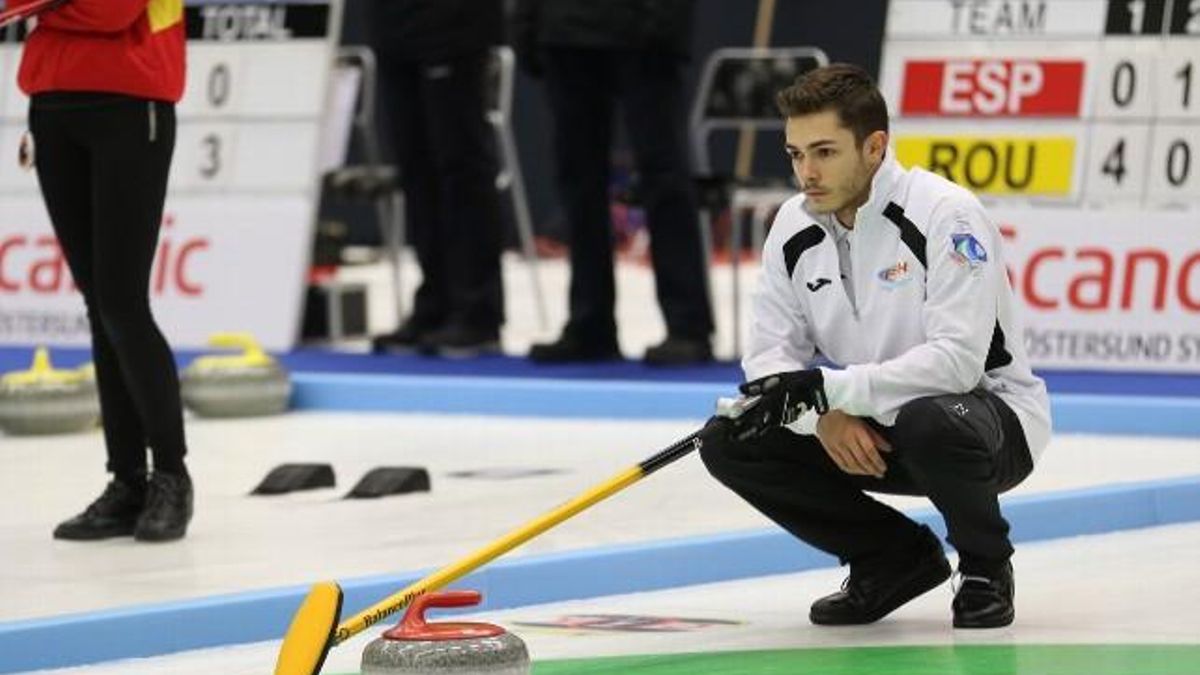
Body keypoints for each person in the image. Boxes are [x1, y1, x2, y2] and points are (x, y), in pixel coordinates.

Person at [699, 63, 1051, 628]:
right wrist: (824, 416)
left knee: (929, 420)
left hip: (987, 422)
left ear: (874, 147)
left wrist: (834, 391)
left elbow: (958, 364)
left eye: (824, 152)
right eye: (795, 154)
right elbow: (769, 358)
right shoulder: (790, 225)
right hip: (869, 422)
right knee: (730, 437)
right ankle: (891, 558)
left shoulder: (946, 213)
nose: (807, 172)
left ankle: (985, 567)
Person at [15, 0, 193, 541]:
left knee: (122, 303)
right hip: (53, 105)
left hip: (131, 103)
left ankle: (171, 474)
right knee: (100, 305)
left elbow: (112, 11)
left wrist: (42, 11)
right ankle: (127, 480)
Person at [514, 0, 715, 365]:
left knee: (663, 178)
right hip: (564, 32)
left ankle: (688, 325)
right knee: (579, 183)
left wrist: (663, 22)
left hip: (643, 33)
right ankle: (589, 323)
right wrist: (529, 23)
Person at [368, 0, 506, 357]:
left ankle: (477, 310)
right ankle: (434, 302)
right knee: (416, 171)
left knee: (461, 168)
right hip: (394, 31)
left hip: (451, 28)